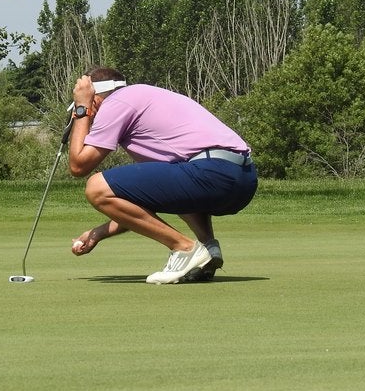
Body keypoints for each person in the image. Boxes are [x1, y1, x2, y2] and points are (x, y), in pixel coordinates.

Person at [67, 67, 258, 284]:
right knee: (175, 174)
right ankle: (207, 249)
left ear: (95, 96)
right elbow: (143, 203)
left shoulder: (116, 102)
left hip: (212, 173)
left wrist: (81, 109)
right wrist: (98, 233)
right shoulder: (145, 97)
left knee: (96, 187)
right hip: (243, 179)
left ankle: (184, 249)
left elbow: (78, 165)